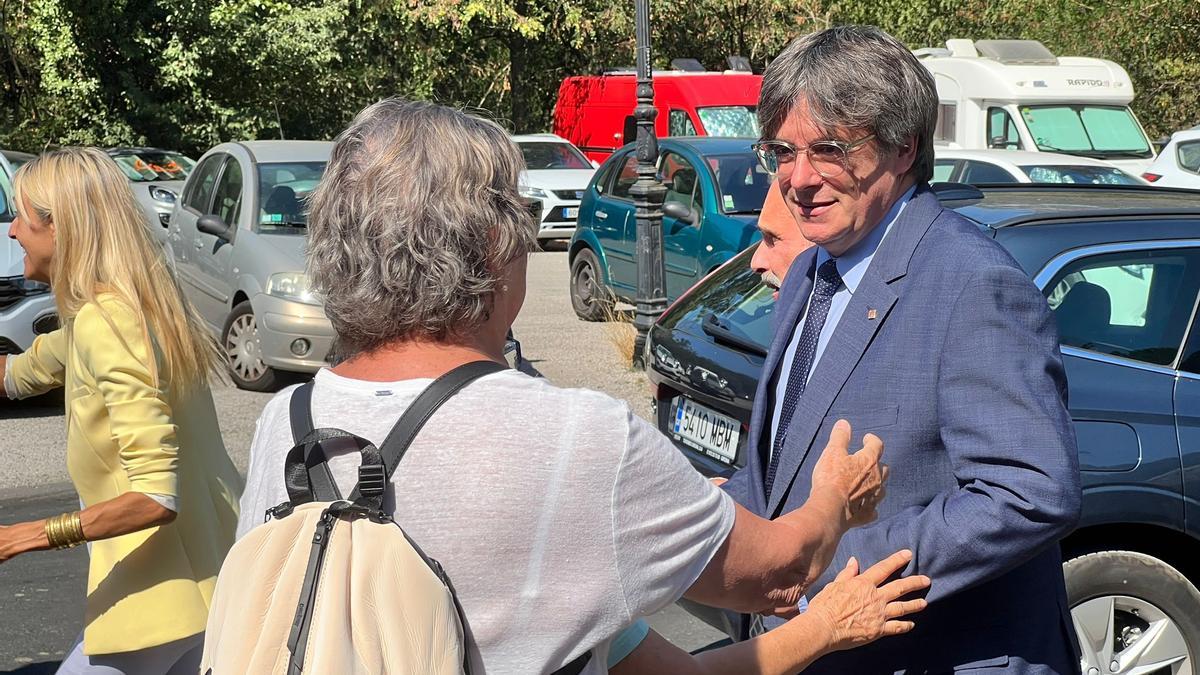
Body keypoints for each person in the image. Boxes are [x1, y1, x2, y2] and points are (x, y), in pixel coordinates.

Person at [236, 98, 926, 673]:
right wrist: (837, 499)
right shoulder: (572, 438)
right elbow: (780, 571)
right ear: (493, 248)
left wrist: (824, 627)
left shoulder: (286, 421)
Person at [723, 25, 1083, 673]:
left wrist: (824, 564)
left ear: (903, 145)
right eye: (781, 151)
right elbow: (778, 474)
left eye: (828, 149)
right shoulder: (811, 271)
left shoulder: (972, 281)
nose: (797, 180)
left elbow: (1031, 491)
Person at [0, 148, 243, 674]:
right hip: (213, 575)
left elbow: (155, 495)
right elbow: (19, 375)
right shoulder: (136, 303)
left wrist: (21, 536)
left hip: (161, 595)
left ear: (60, 227)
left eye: (22, 216)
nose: (13, 230)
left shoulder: (106, 322)